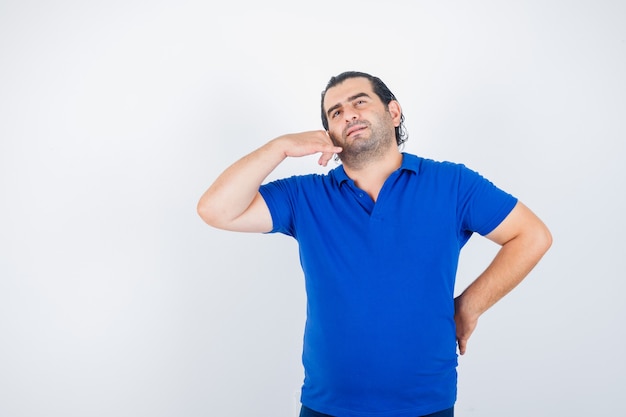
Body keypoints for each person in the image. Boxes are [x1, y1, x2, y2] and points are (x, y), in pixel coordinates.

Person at [197, 71, 552, 417]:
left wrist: (469, 306)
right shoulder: (304, 195)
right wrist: (280, 147)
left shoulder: (452, 183)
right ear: (329, 132)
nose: (348, 113)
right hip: (327, 405)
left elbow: (532, 235)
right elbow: (216, 210)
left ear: (393, 112)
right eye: (335, 112)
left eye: (360, 102)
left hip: (425, 402)